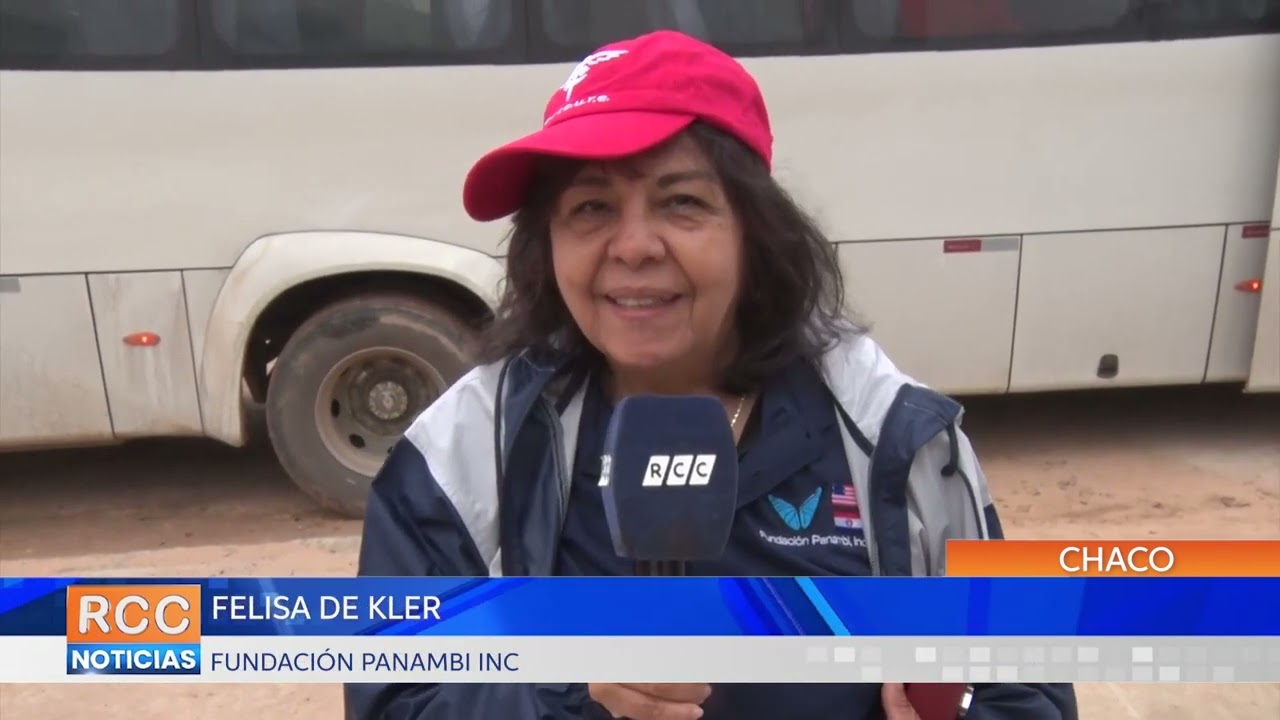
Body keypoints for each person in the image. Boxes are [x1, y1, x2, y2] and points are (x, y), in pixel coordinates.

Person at [344, 29, 1079, 720]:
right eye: (591, 207)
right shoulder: (463, 456)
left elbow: (1029, 686)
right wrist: (563, 692)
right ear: (548, 246)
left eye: (681, 203)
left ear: (754, 232)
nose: (634, 246)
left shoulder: (895, 437)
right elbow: (392, 694)